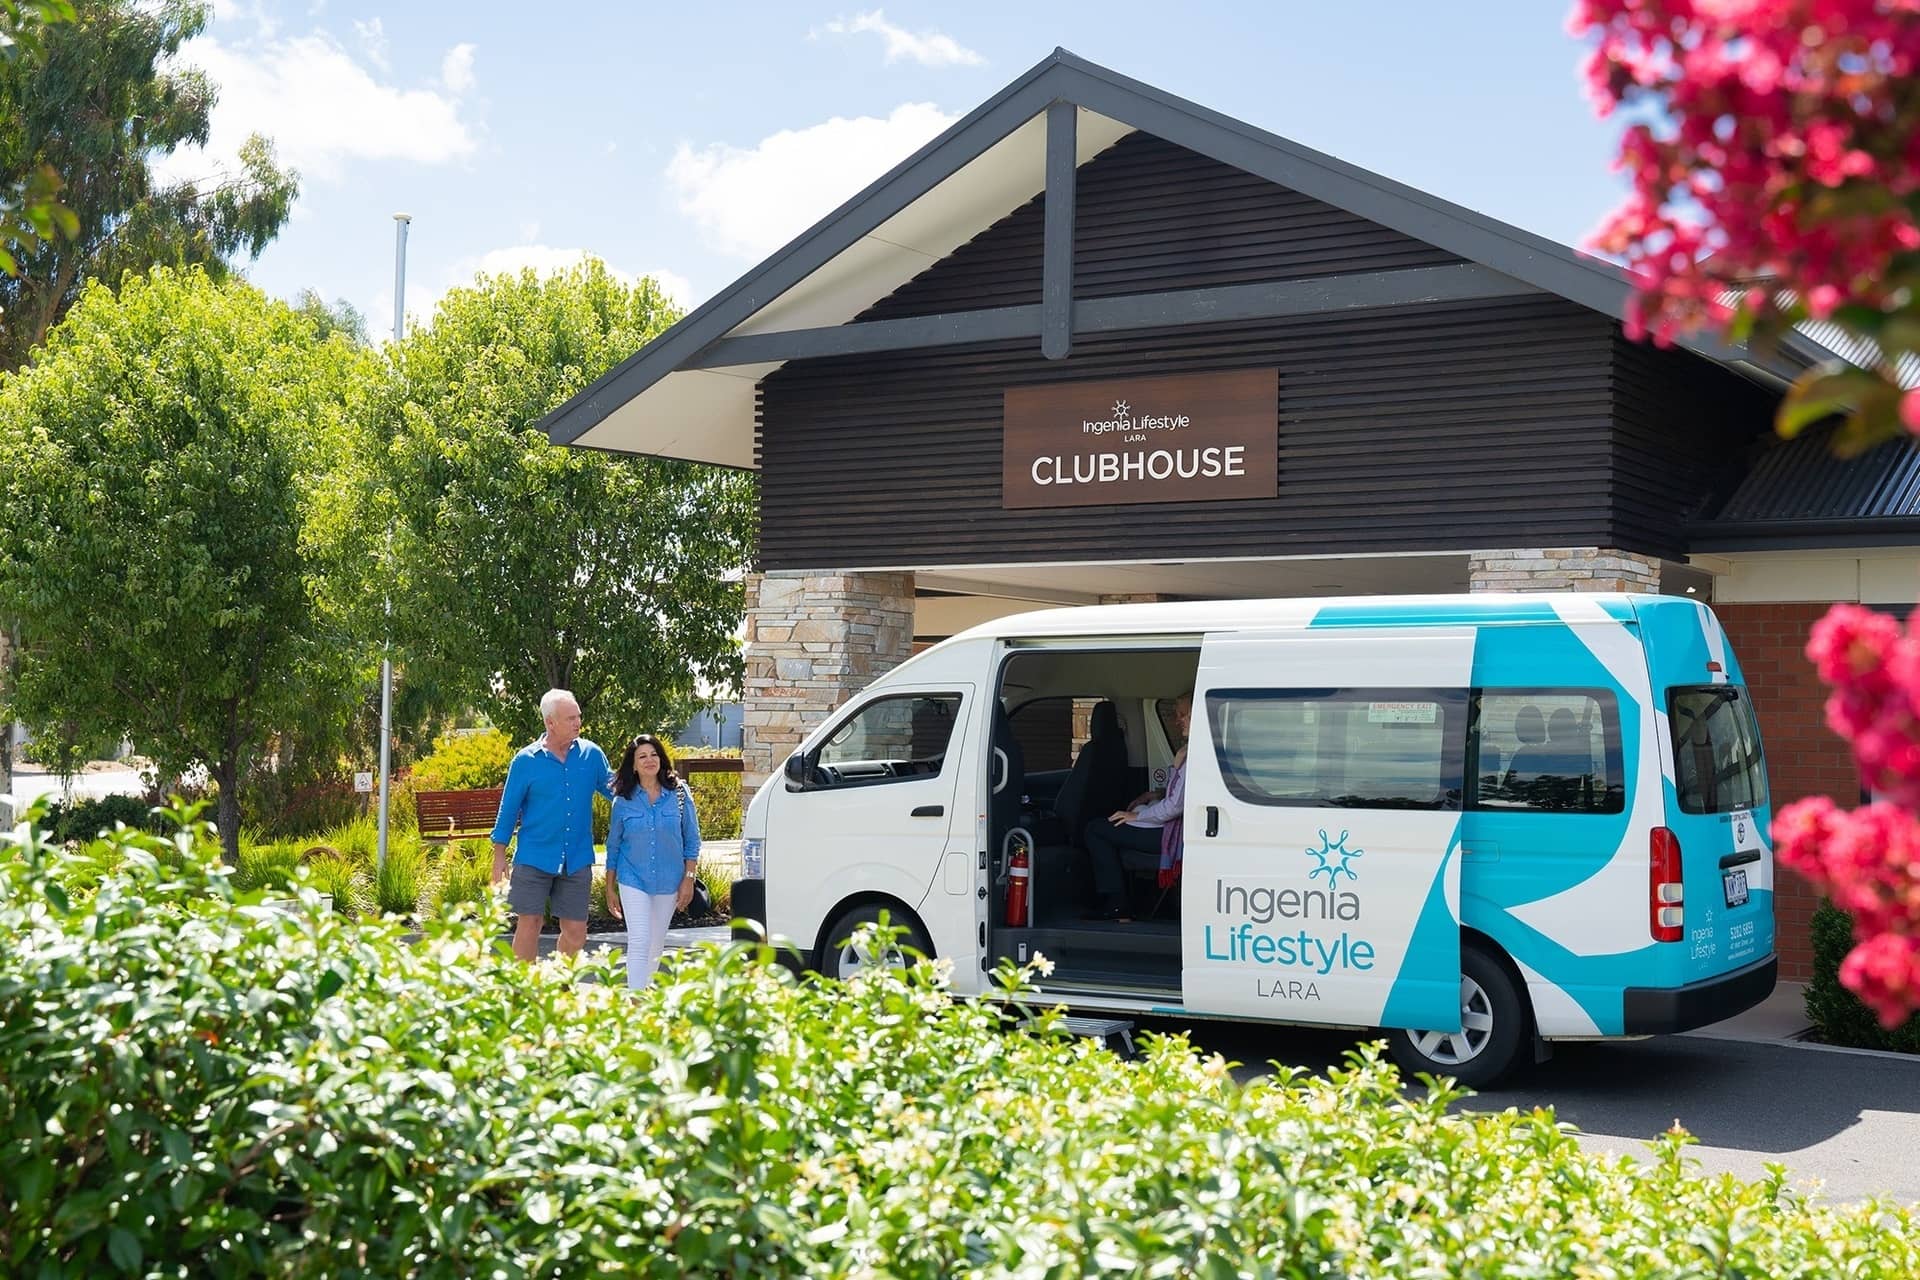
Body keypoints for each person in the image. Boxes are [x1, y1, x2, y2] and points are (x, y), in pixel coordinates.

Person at [490, 689, 613, 962]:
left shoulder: (591, 755)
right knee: (529, 923)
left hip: (577, 857)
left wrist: (655, 786)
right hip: (534, 856)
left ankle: (559, 988)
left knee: (576, 932)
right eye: (570, 718)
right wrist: (499, 855)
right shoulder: (525, 761)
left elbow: (616, 789)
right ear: (550, 722)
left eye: (578, 716)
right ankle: (525, 992)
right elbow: (508, 808)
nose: (578, 722)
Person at [604, 733, 703, 990]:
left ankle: (645, 998)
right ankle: (634, 1001)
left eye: (654, 754)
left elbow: (692, 840)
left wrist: (688, 880)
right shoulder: (622, 801)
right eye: (642, 756)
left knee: (656, 943)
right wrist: (609, 887)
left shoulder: (679, 794)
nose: (650, 760)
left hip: (670, 880)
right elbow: (613, 846)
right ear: (633, 766)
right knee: (640, 939)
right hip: (632, 877)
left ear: (661, 759)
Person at [1083, 692, 1191, 921]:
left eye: (1184, 715)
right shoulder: (1191, 751)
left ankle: (1117, 905)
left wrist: (1135, 817)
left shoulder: (1193, 755)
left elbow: (1174, 807)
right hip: (1172, 825)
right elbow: (1180, 793)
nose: (1177, 720)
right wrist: (1152, 794)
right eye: (1176, 715)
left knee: (1095, 829)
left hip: (1171, 832)